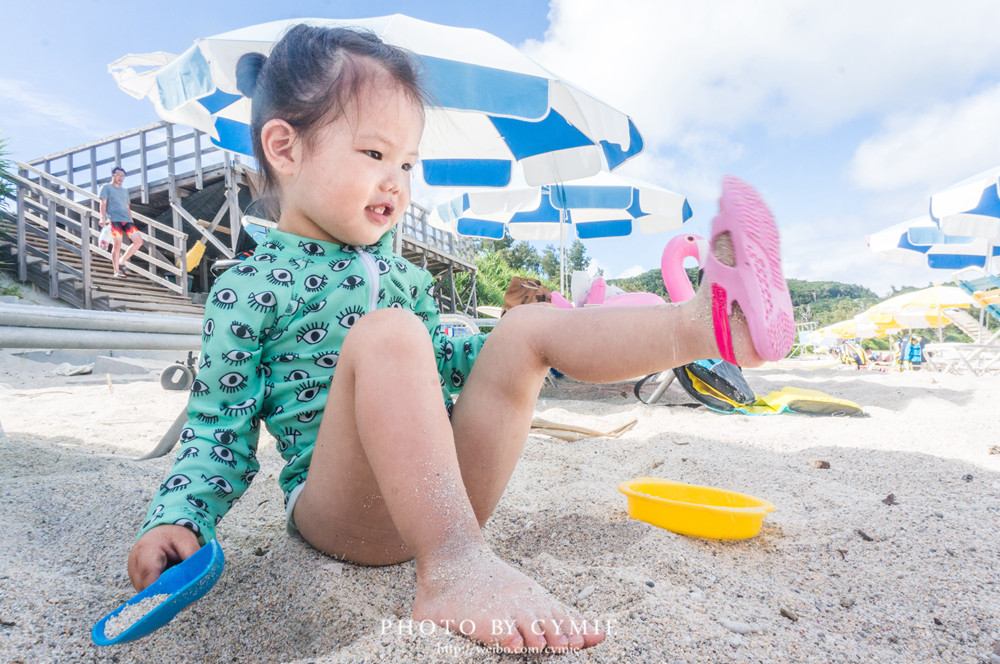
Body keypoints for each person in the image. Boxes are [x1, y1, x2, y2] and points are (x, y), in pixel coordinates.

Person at [126, 24, 795, 654]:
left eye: (409, 163)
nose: (397, 179)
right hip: (341, 512)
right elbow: (218, 430)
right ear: (284, 147)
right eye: (374, 153)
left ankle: (707, 329)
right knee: (391, 335)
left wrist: (534, 348)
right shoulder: (245, 286)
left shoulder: (405, 277)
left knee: (523, 329)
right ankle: (453, 569)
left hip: (446, 491)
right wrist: (181, 519)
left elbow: (459, 362)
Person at [99, 166, 144, 277]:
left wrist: (131, 220)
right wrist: (102, 217)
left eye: (122, 176)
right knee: (117, 244)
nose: (120, 178)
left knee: (138, 241)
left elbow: (127, 206)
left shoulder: (124, 191)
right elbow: (103, 203)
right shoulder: (106, 187)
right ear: (113, 175)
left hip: (126, 220)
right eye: (118, 175)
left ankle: (122, 260)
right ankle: (116, 271)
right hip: (114, 219)